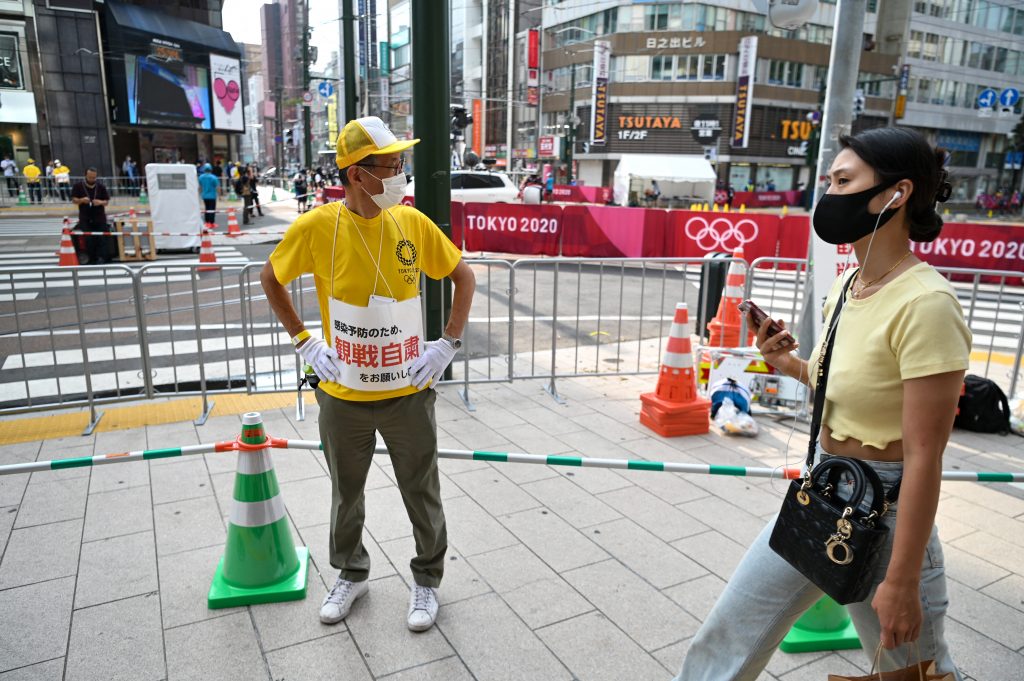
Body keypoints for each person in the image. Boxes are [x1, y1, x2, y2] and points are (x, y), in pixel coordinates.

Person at [675, 127, 967, 680]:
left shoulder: (928, 304)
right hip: (823, 490)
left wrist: (902, 581)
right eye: (829, 180)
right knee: (729, 632)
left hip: (889, 510)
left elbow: (926, 456)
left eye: (843, 180)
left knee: (911, 673)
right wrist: (788, 364)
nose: (827, 194)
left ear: (895, 194)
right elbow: (838, 387)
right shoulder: (849, 286)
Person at [260, 115, 476, 632]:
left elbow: (462, 277)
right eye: (393, 165)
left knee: (421, 489)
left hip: (408, 390)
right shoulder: (317, 227)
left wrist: (447, 344)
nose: (402, 175)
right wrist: (305, 341)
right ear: (358, 174)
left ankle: (427, 580)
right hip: (343, 393)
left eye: (402, 163)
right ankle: (351, 573)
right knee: (345, 491)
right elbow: (272, 277)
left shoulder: (411, 223)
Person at [71, 167, 112, 265]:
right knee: (88, 239)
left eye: (94, 178)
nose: (92, 180)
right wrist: (81, 200)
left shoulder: (101, 187)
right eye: (90, 177)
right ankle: (92, 258)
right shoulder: (78, 186)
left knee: (101, 238)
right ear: (86, 176)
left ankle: (102, 257)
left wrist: (100, 202)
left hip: (99, 217)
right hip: (85, 217)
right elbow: (73, 200)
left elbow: (106, 202)